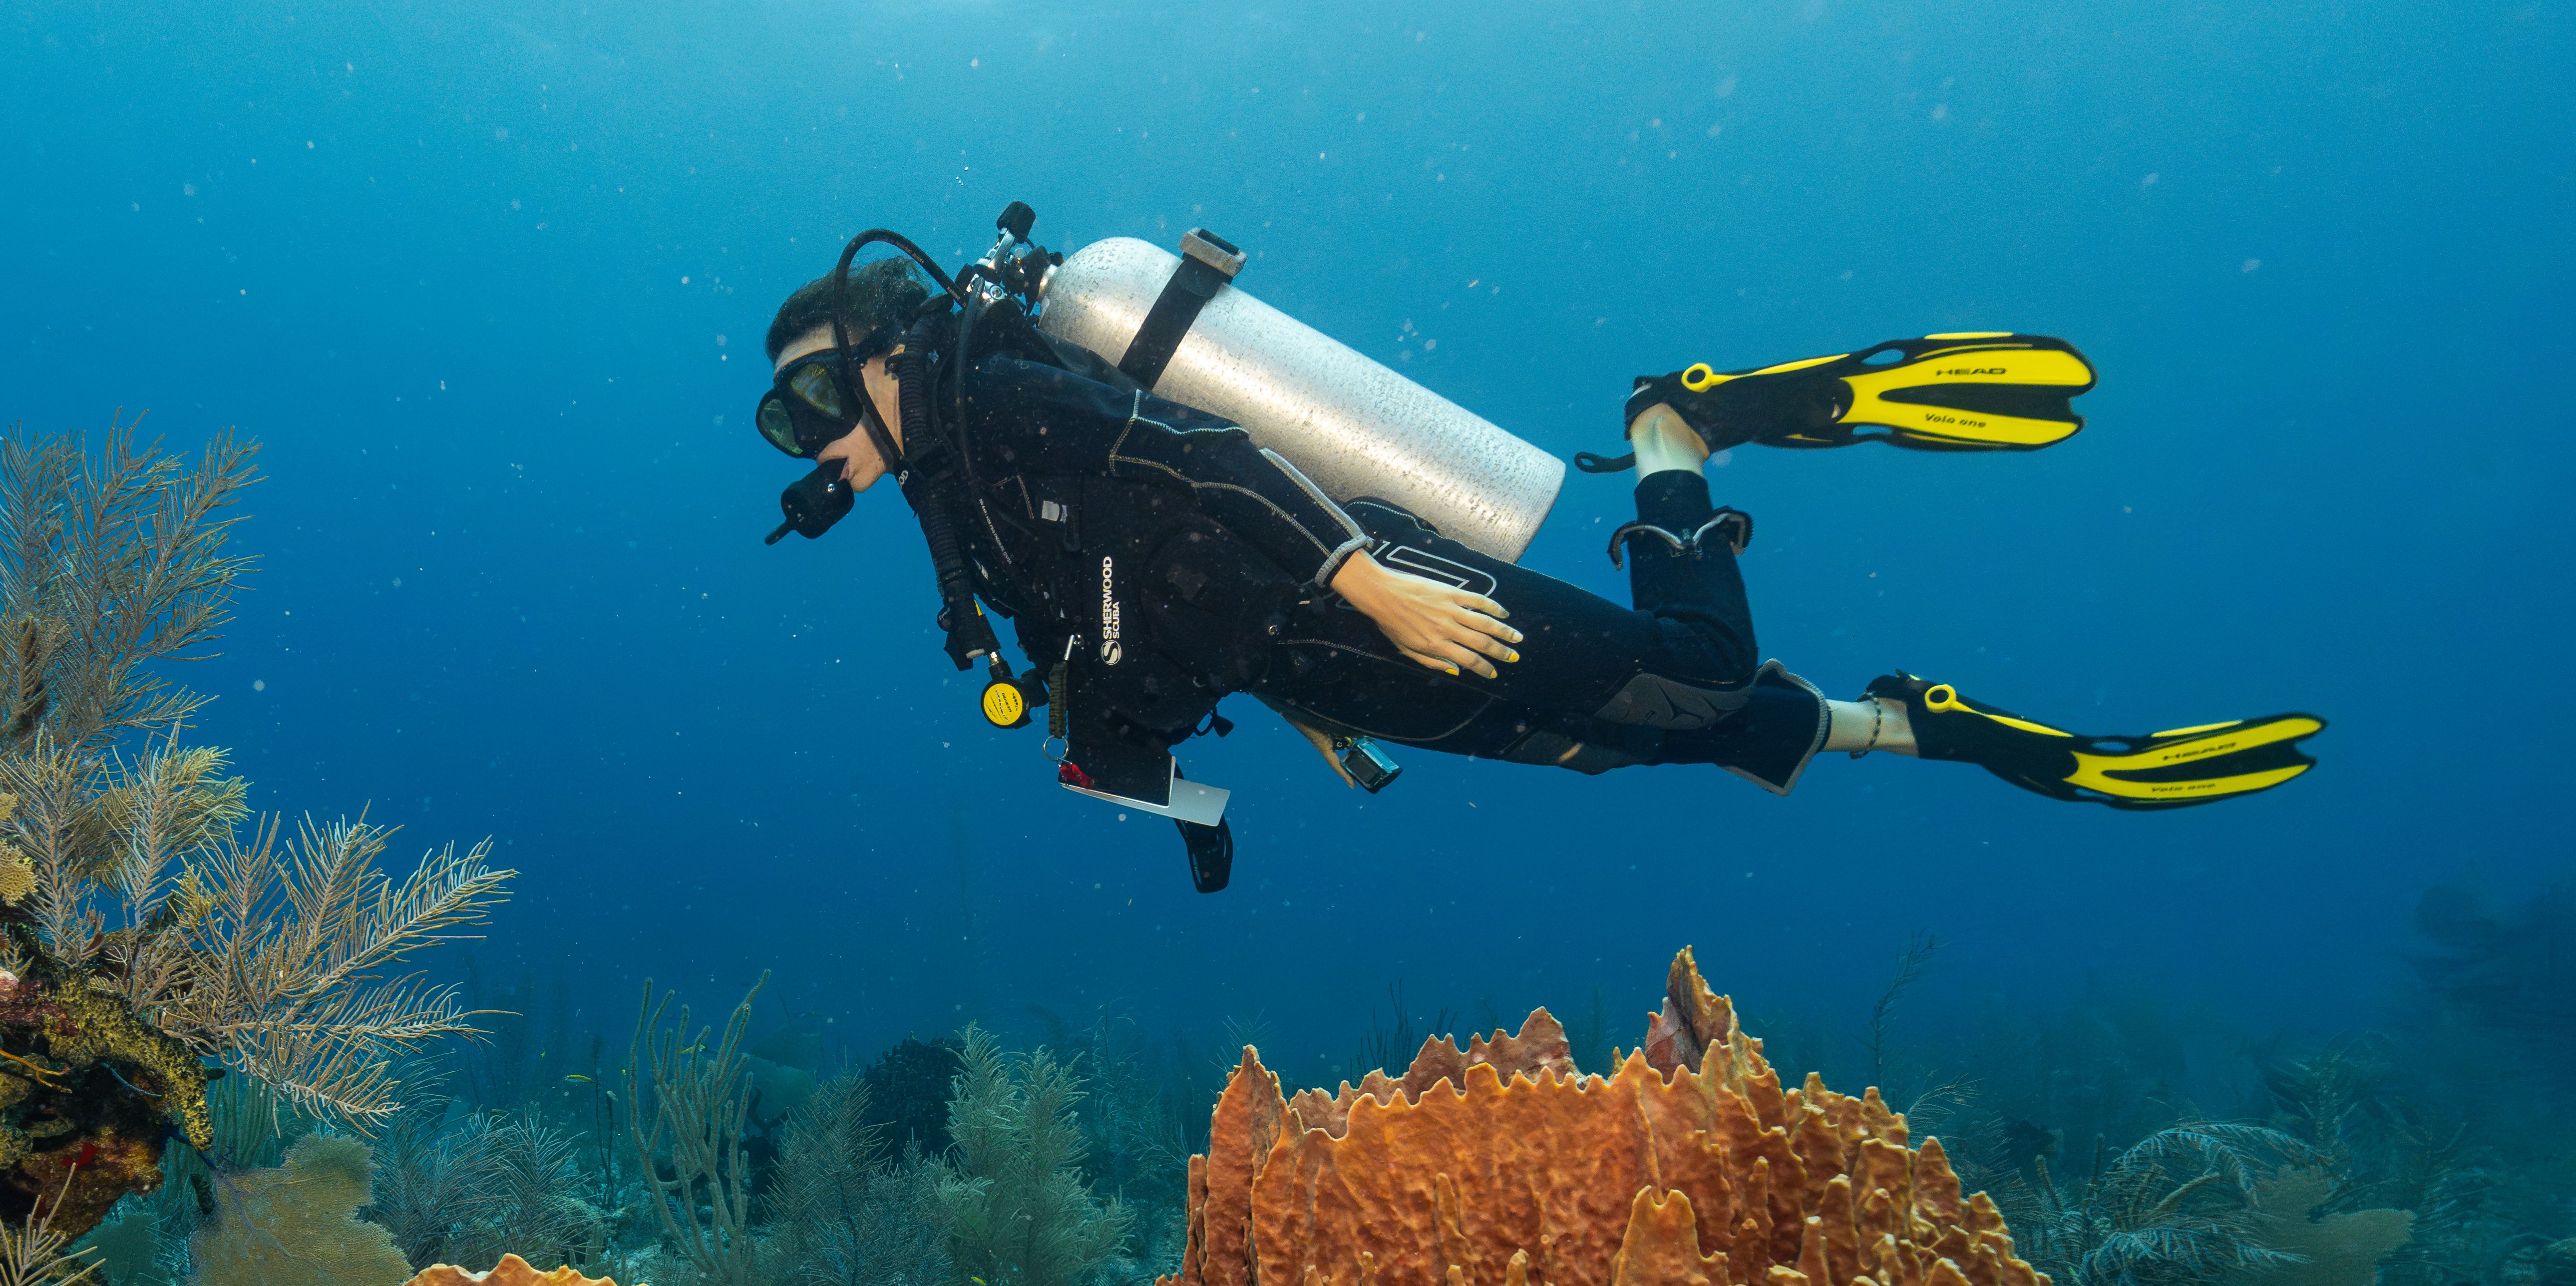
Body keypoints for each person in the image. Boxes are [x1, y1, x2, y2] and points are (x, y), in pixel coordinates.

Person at [755, 252, 2320, 892]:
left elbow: (1210, 463)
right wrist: (1197, 797)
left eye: (816, 392)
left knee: (1694, 674)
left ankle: (1675, 428)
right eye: (788, 420)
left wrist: (1362, 580)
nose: (812, 436)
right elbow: (1129, 639)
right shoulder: (963, 509)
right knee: (1629, 739)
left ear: (891, 348)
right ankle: (1920, 725)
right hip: (1340, 662)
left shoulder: (992, 397)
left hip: (1377, 594)